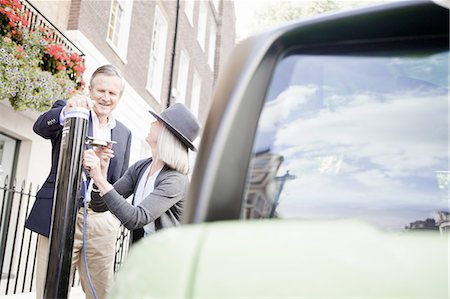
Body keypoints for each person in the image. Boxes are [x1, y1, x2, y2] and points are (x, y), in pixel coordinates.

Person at [25, 65, 132, 299]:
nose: (105, 97)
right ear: (89, 90)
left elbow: (119, 183)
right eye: (100, 91)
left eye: (112, 93)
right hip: (62, 214)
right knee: (49, 290)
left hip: (101, 222)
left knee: (102, 292)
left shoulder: (124, 133)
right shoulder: (71, 111)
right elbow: (40, 127)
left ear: (119, 97)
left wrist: (101, 170)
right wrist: (66, 112)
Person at [83, 103, 200, 244]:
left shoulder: (176, 180)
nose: (152, 123)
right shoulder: (142, 167)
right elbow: (99, 205)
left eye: (157, 122)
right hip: (142, 253)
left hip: (167, 258)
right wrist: (101, 171)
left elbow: (135, 219)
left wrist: (99, 179)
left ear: (166, 133)